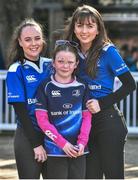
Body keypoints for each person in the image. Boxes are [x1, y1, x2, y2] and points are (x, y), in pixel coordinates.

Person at [64, 4, 136, 179]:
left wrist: (101, 103)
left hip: (108, 122)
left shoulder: (108, 51)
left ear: (98, 29)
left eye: (90, 26)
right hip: (83, 125)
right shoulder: (69, 52)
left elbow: (130, 84)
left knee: (113, 176)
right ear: (74, 27)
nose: (84, 30)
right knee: (90, 176)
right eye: (80, 25)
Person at [35, 41, 92, 179]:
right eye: (60, 61)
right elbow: (42, 121)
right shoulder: (45, 86)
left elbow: (87, 117)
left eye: (70, 62)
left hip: (79, 149)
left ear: (76, 64)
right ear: (53, 63)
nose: (65, 66)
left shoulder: (82, 86)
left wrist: (82, 143)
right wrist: (63, 144)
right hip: (55, 150)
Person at [6, 18, 53, 179]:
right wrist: (36, 144)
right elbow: (21, 112)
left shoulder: (52, 65)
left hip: (53, 137)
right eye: (27, 39)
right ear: (19, 42)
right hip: (28, 137)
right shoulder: (16, 69)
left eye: (37, 38)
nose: (34, 43)